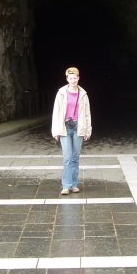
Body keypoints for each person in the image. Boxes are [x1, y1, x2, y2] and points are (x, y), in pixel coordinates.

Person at [51, 67, 92, 195]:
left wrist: (88, 130)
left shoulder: (83, 94)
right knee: (67, 157)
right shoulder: (61, 93)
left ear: (78, 78)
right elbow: (56, 112)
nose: (73, 80)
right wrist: (55, 131)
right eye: (70, 78)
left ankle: (74, 184)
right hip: (65, 127)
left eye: (75, 78)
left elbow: (87, 114)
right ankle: (66, 186)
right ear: (67, 79)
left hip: (79, 126)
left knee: (75, 157)